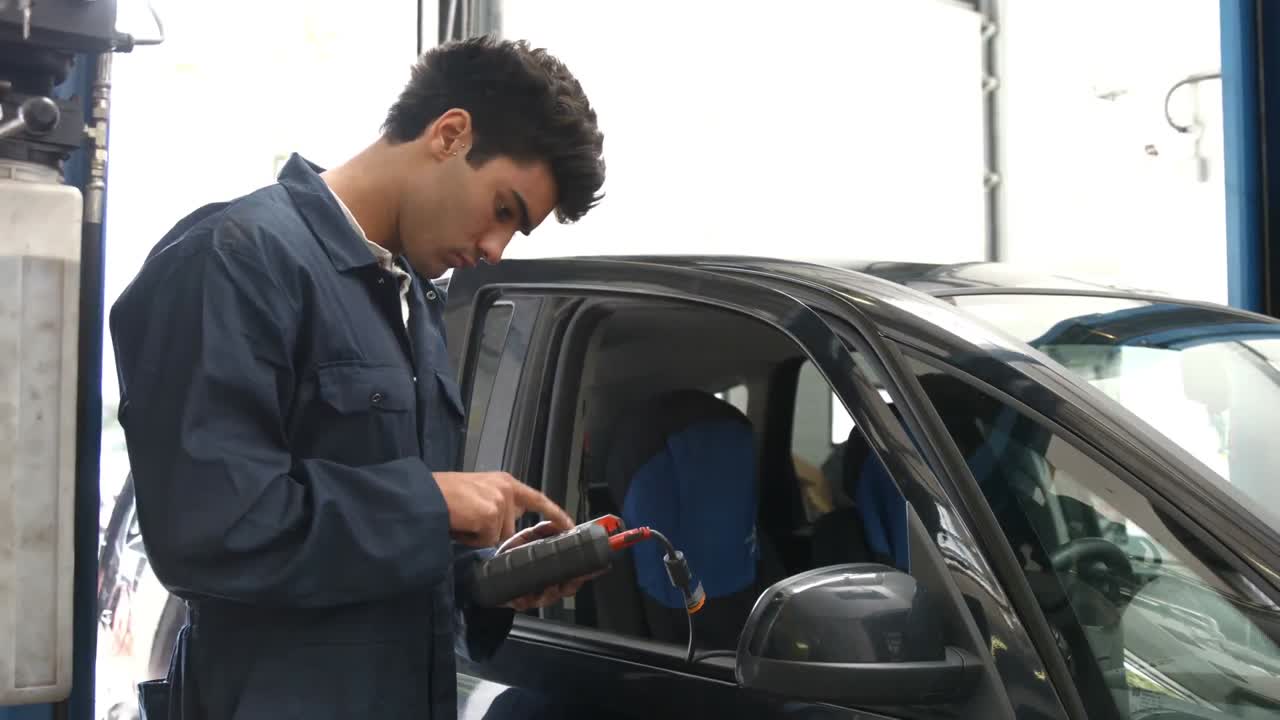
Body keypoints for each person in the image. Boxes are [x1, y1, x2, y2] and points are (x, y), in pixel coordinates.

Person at [108, 35, 606, 720]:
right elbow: (210, 529)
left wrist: (485, 581)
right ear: (450, 134)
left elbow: (370, 555)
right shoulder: (235, 260)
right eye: (502, 210)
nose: (495, 250)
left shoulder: (411, 304)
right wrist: (432, 506)